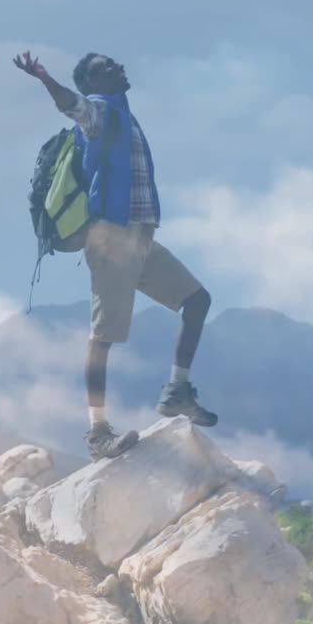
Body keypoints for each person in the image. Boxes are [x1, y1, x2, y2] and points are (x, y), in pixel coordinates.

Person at [13, 50, 217, 459]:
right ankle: (97, 433)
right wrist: (45, 78)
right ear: (95, 83)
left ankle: (176, 392)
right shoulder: (102, 110)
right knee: (103, 336)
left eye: (116, 63)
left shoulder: (123, 114)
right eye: (107, 68)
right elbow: (73, 106)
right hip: (111, 238)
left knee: (197, 300)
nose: (119, 68)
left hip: (140, 237)